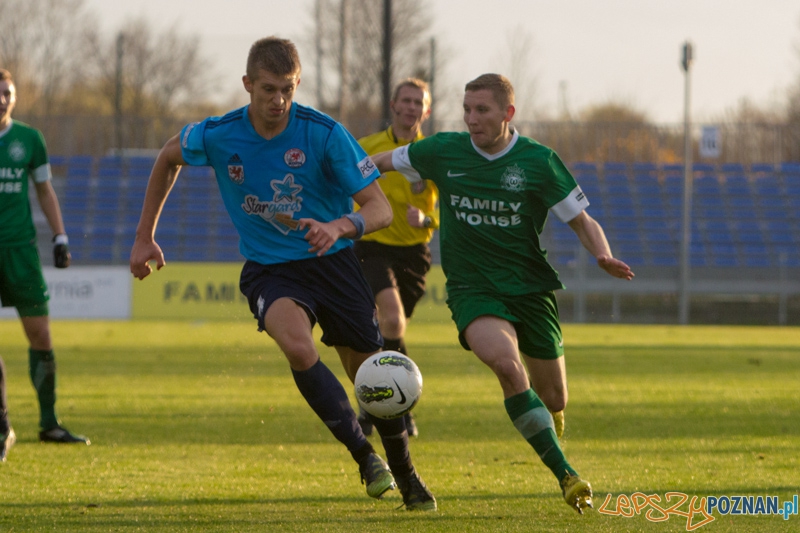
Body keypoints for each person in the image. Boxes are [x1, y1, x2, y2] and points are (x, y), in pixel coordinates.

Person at [129, 37, 436, 511]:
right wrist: (144, 235)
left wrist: (338, 226)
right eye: (269, 89)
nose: (279, 101)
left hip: (334, 265)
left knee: (371, 375)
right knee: (297, 344)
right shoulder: (218, 133)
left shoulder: (324, 134)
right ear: (248, 84)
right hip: (270, 271)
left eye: (288, 90)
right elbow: (168, 156)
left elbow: (377, 209)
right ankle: (363, 456)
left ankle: (407, 474)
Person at [371, 73, 634, 514]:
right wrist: (333, 176)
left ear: (508, 113)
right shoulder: (441, 150)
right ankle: (566, 475)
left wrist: (603, 256)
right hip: (474, 289)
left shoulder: (537, 161)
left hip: (530, 290)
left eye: (482, 111)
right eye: (467, 110)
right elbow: (377, 164)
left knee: (554, 399)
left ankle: (546, 414)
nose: (472, 119)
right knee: (508, 368)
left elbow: (582, 221)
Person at [0, 69, 91, 461]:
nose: (2, 98)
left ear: (15, 98)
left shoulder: (29, 140)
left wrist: (60, 236)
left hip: (20, 251)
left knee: (41, 334)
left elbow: (44, 190)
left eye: (7, 93)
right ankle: (2, 425)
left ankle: (49, 423)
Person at [354, 78, 437, 438]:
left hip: (415, 254)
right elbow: (342, 185)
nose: (411, 107)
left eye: (418, 102)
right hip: (372, 246)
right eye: (405, 100)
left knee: (385, 329)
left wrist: (429, 219)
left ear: (427, 110)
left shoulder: (434, 153)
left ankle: (378, 404)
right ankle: (400, 407)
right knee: (392, 320)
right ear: (393, 105)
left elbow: (453, 201)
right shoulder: (367, 148)